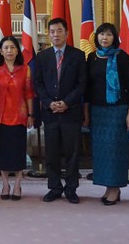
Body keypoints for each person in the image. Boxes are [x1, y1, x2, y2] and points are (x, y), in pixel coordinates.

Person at [33, 18, 87, 204]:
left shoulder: (78, 56)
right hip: (50, 113)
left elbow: (82, 84)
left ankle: (71, 189)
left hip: (71, 112)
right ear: (49, 35)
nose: (55, 34)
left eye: (59, 31)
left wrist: (66, 102)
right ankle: (54, 187)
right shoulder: (42, 57)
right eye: (52, 32)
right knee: (52, 153)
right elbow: (38, 84)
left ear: (66, 33)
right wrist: (49, 103)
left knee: (72, 154)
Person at [83, 22, 129, 206]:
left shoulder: (122, 57)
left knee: (115, 150)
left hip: (117, 111)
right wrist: (86, 112)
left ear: (115, 38)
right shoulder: (91, 58)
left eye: (109, 35)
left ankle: (115, 188)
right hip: (97, 111)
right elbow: (87, 88)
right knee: (101, 152)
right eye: (101, 34)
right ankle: (109, 187)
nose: (104, 38)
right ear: (96, 37)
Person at [0, 35, 34, 201]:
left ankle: (18, 184)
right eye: (6, 48)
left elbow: (29, 93)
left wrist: (30, 114)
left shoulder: (25, 68)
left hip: (20, 116)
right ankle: (5, 184)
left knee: (19, 152)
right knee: (4, 153)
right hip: (1, 117)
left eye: (12, 47)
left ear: (17, 50)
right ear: (0, 50)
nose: (9, 50)